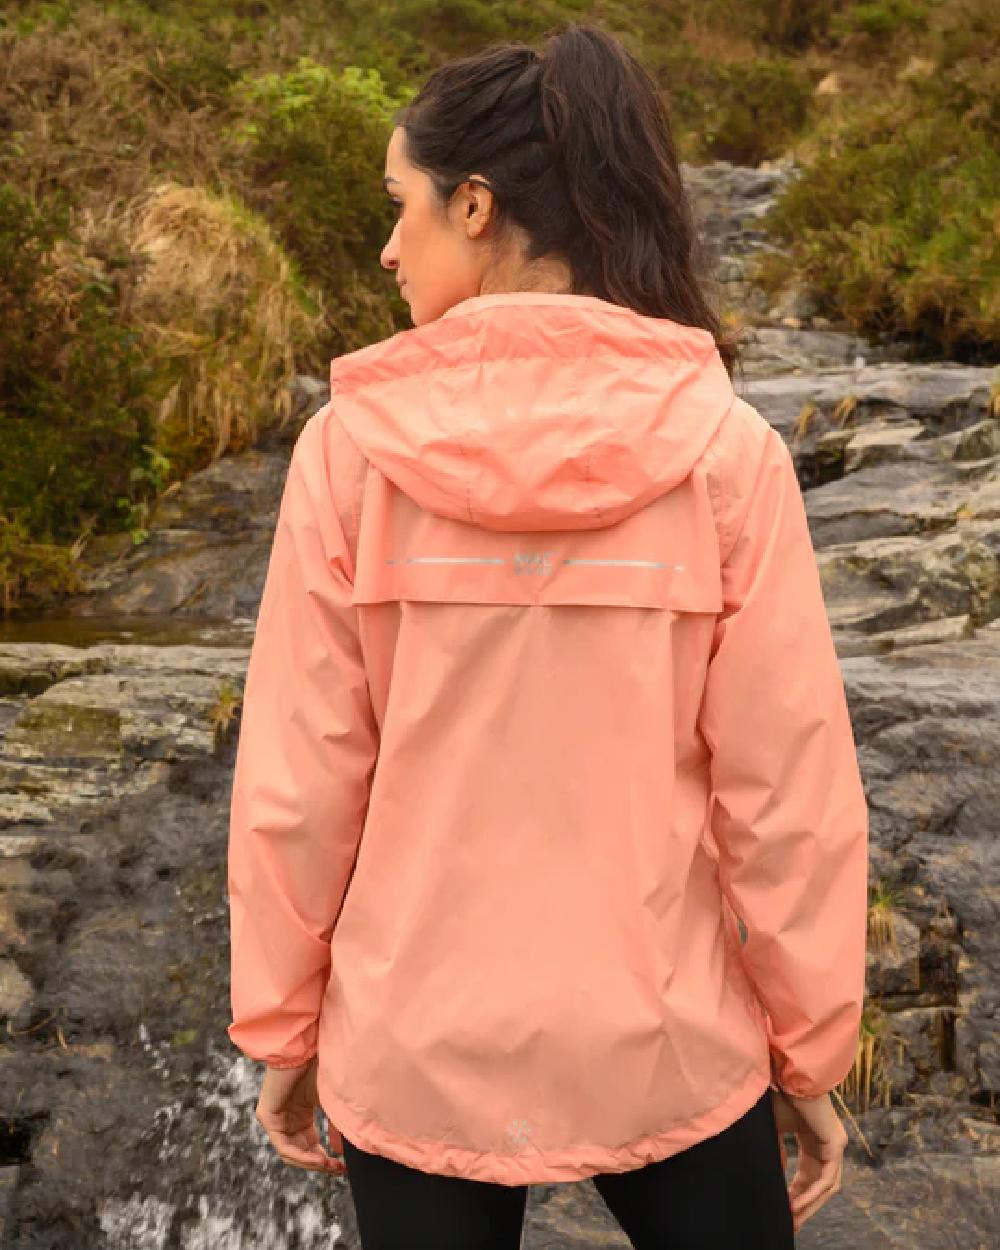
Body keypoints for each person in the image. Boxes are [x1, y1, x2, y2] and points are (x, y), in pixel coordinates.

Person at [226, 21, 869, 1250]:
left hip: (415, 1046)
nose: (381, 243)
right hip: (667, 1043)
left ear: (474, 206)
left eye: (397, 204)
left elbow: (300, 785)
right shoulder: (724, 452)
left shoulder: (347, 454)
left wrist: (284, 1026)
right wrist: (808, 1048)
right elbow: (786, 796)